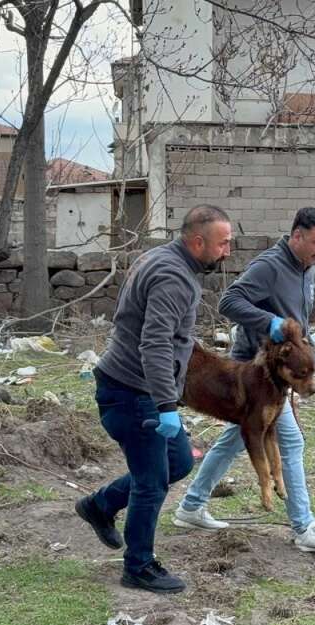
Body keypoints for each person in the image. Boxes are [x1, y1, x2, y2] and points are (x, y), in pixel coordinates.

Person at [75, 204, 233, 594]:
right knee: (152, 482)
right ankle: (139, 566)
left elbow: (169, 336)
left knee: (177, 461)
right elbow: (155, 343)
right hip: (131, 392)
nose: (227, 251)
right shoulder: (172, 277)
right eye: (223, 243)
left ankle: (99, 505)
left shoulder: (164, 258)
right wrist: (165, 406)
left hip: (136, 386)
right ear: (198, 242)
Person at [174, 207, 315, 552]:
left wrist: (307, 353)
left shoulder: (306, 268)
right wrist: (268, 323)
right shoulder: (269, 266)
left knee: (236, 439)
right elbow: (229, 301)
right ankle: (304, 527)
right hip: (255, 369)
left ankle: (191, 506)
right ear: (296, 236)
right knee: (291, 442)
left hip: (282, 369)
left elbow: (296, 321)